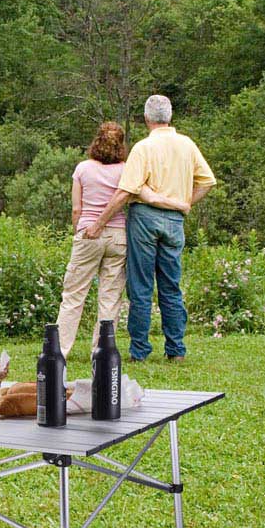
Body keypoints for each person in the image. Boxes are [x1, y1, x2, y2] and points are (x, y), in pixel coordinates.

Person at [84, 95, 216, 363]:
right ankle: (176, 350)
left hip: (145, 218)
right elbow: (207, 181)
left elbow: (125, 192)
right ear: (170, 116)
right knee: (171, 286)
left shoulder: (143, 148)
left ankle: (140, 351)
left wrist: (99, 222)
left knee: (141, 286)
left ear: (146, 118)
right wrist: (184, 202)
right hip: (175, 220)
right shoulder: (187, 145)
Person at [56, 121, 190, 358]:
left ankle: (60, 350)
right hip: (118, 236)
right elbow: (141, 196)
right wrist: (179, 204)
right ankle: (101, 350)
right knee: (110, 297)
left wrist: (81, 231)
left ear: (96, 141)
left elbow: (76, 209)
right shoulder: (127, 169)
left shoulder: (82, 169)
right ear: (121, 145)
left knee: (74, 295)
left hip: (89, 233)